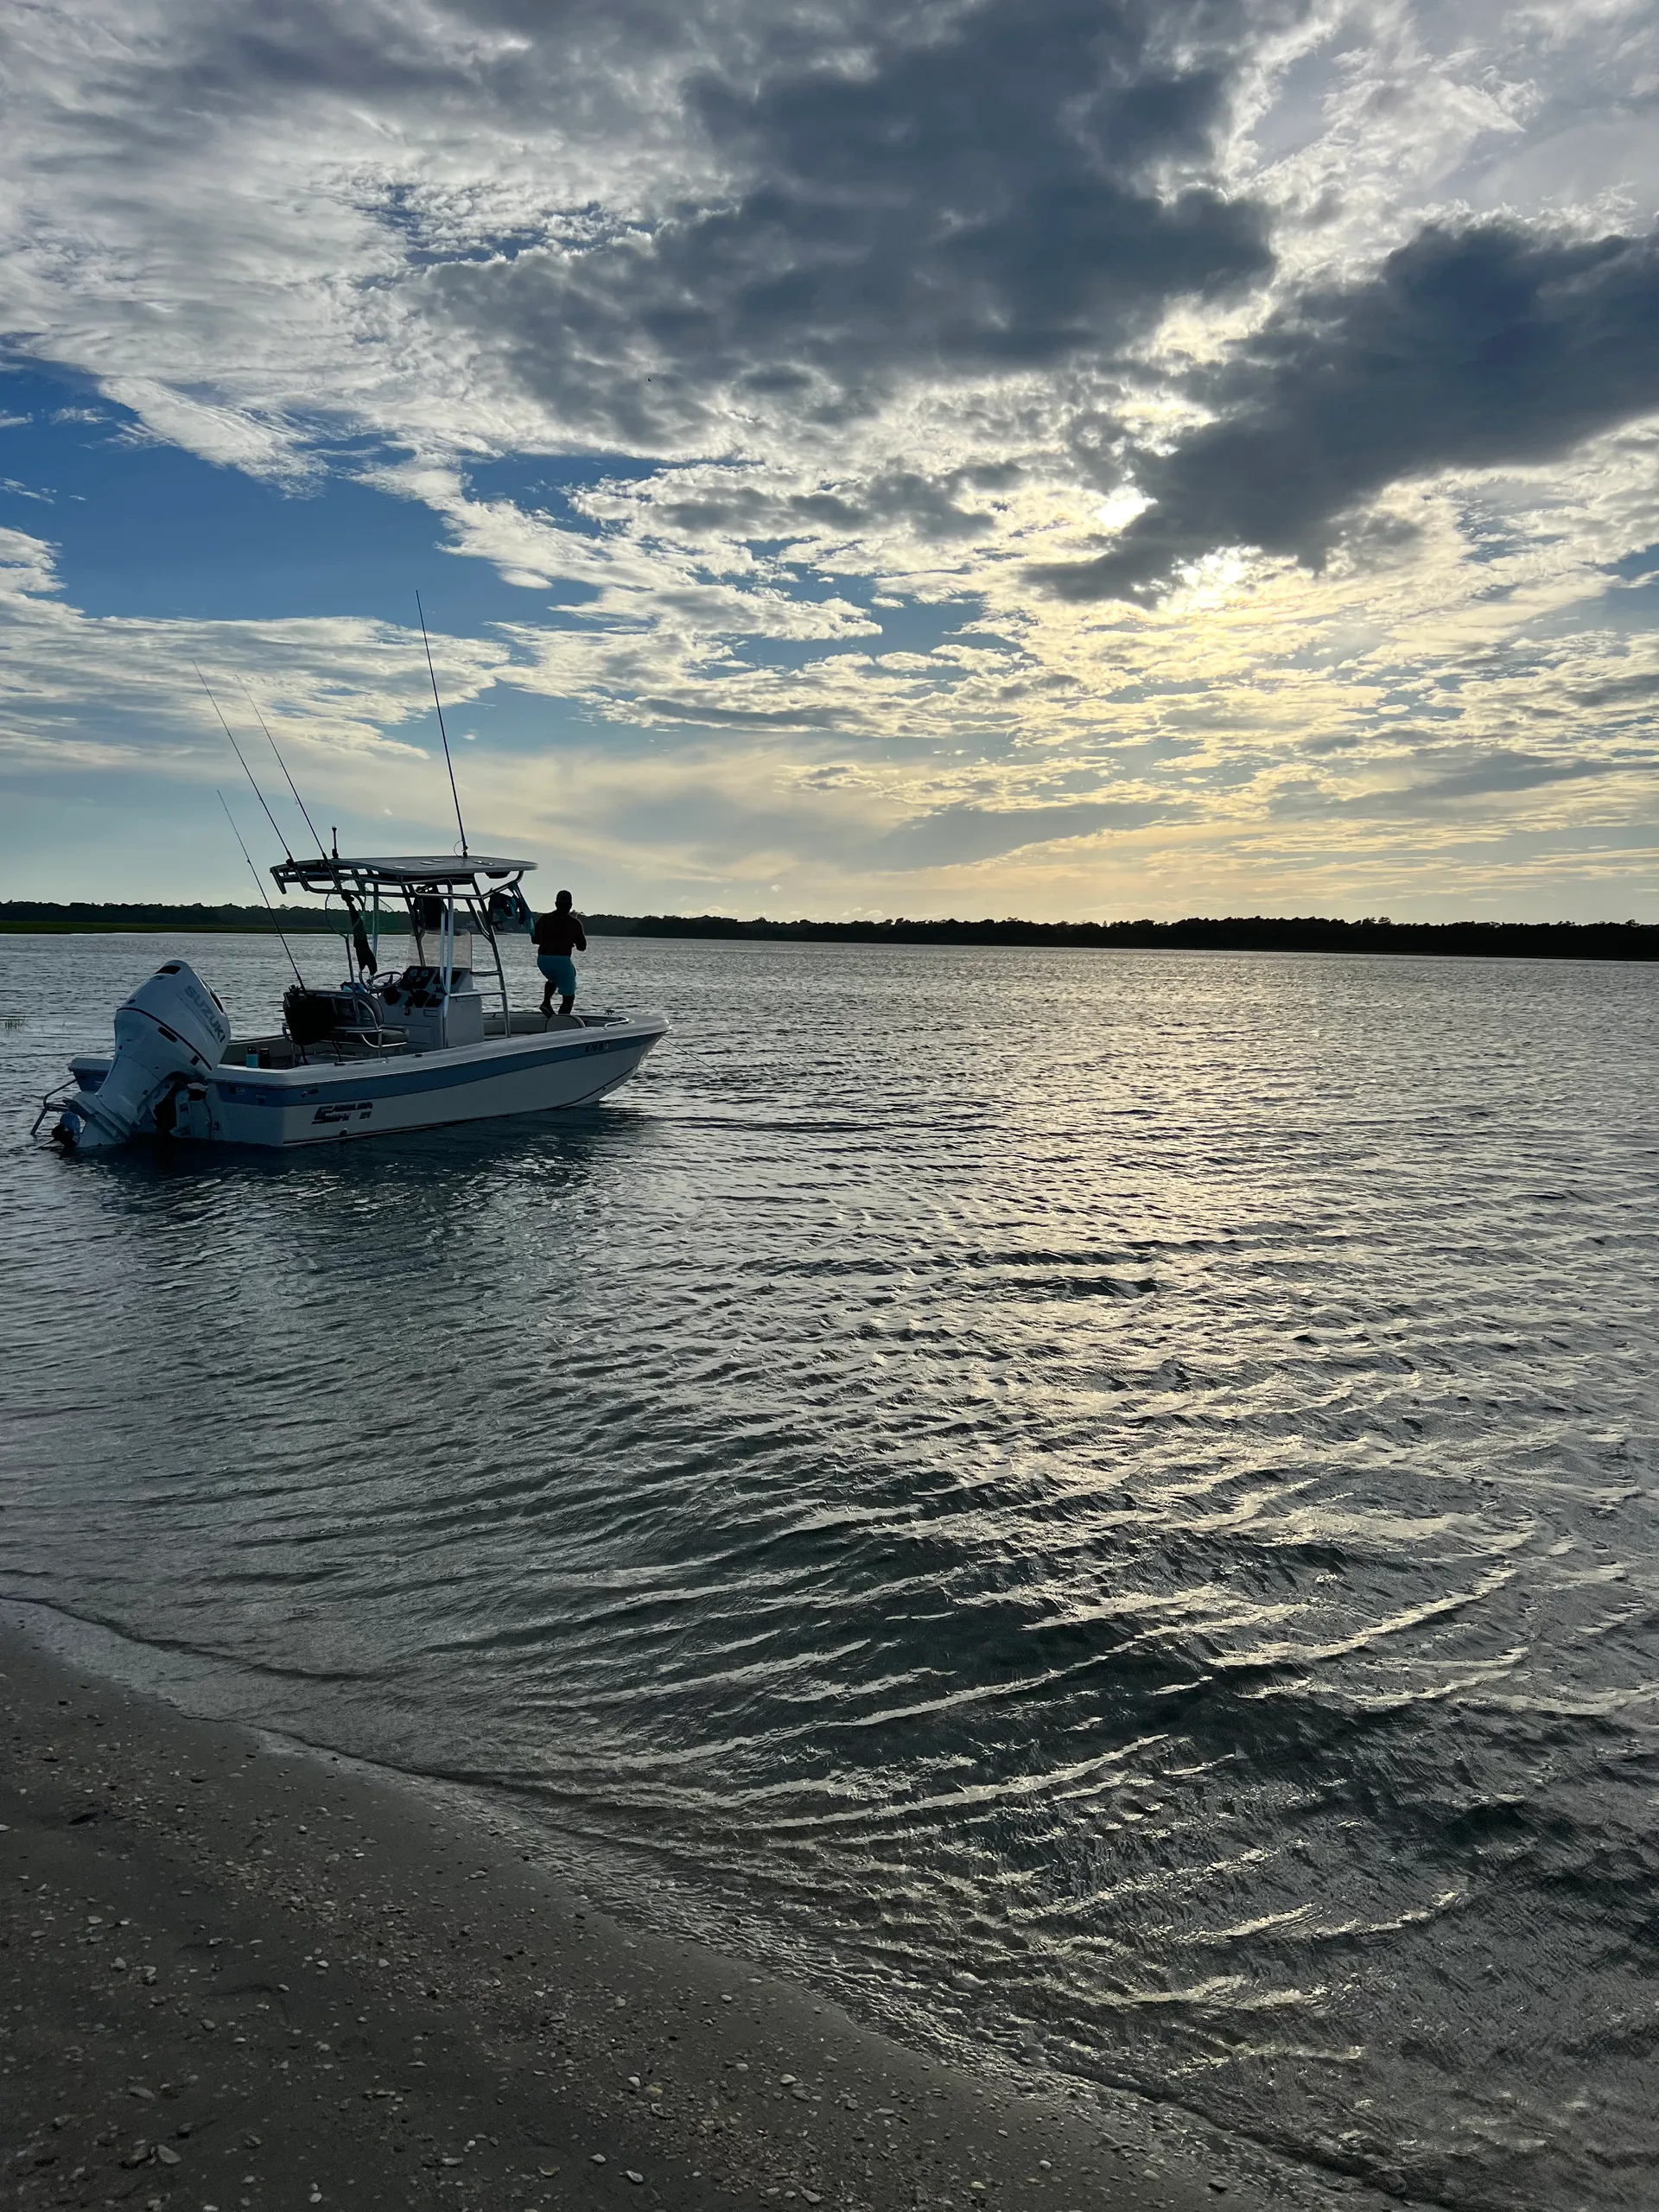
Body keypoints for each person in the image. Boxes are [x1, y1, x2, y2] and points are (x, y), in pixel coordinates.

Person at [533, 889, 587, 1019]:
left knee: (553, 979)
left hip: (543, 960)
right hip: (562, 960)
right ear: (570, 905)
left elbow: (535, 940)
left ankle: (546, 1002)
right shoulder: (574, 923)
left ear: (556, 904)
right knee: (569, 996)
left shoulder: (543, 919)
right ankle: (563, 1023)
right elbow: (582, 947)